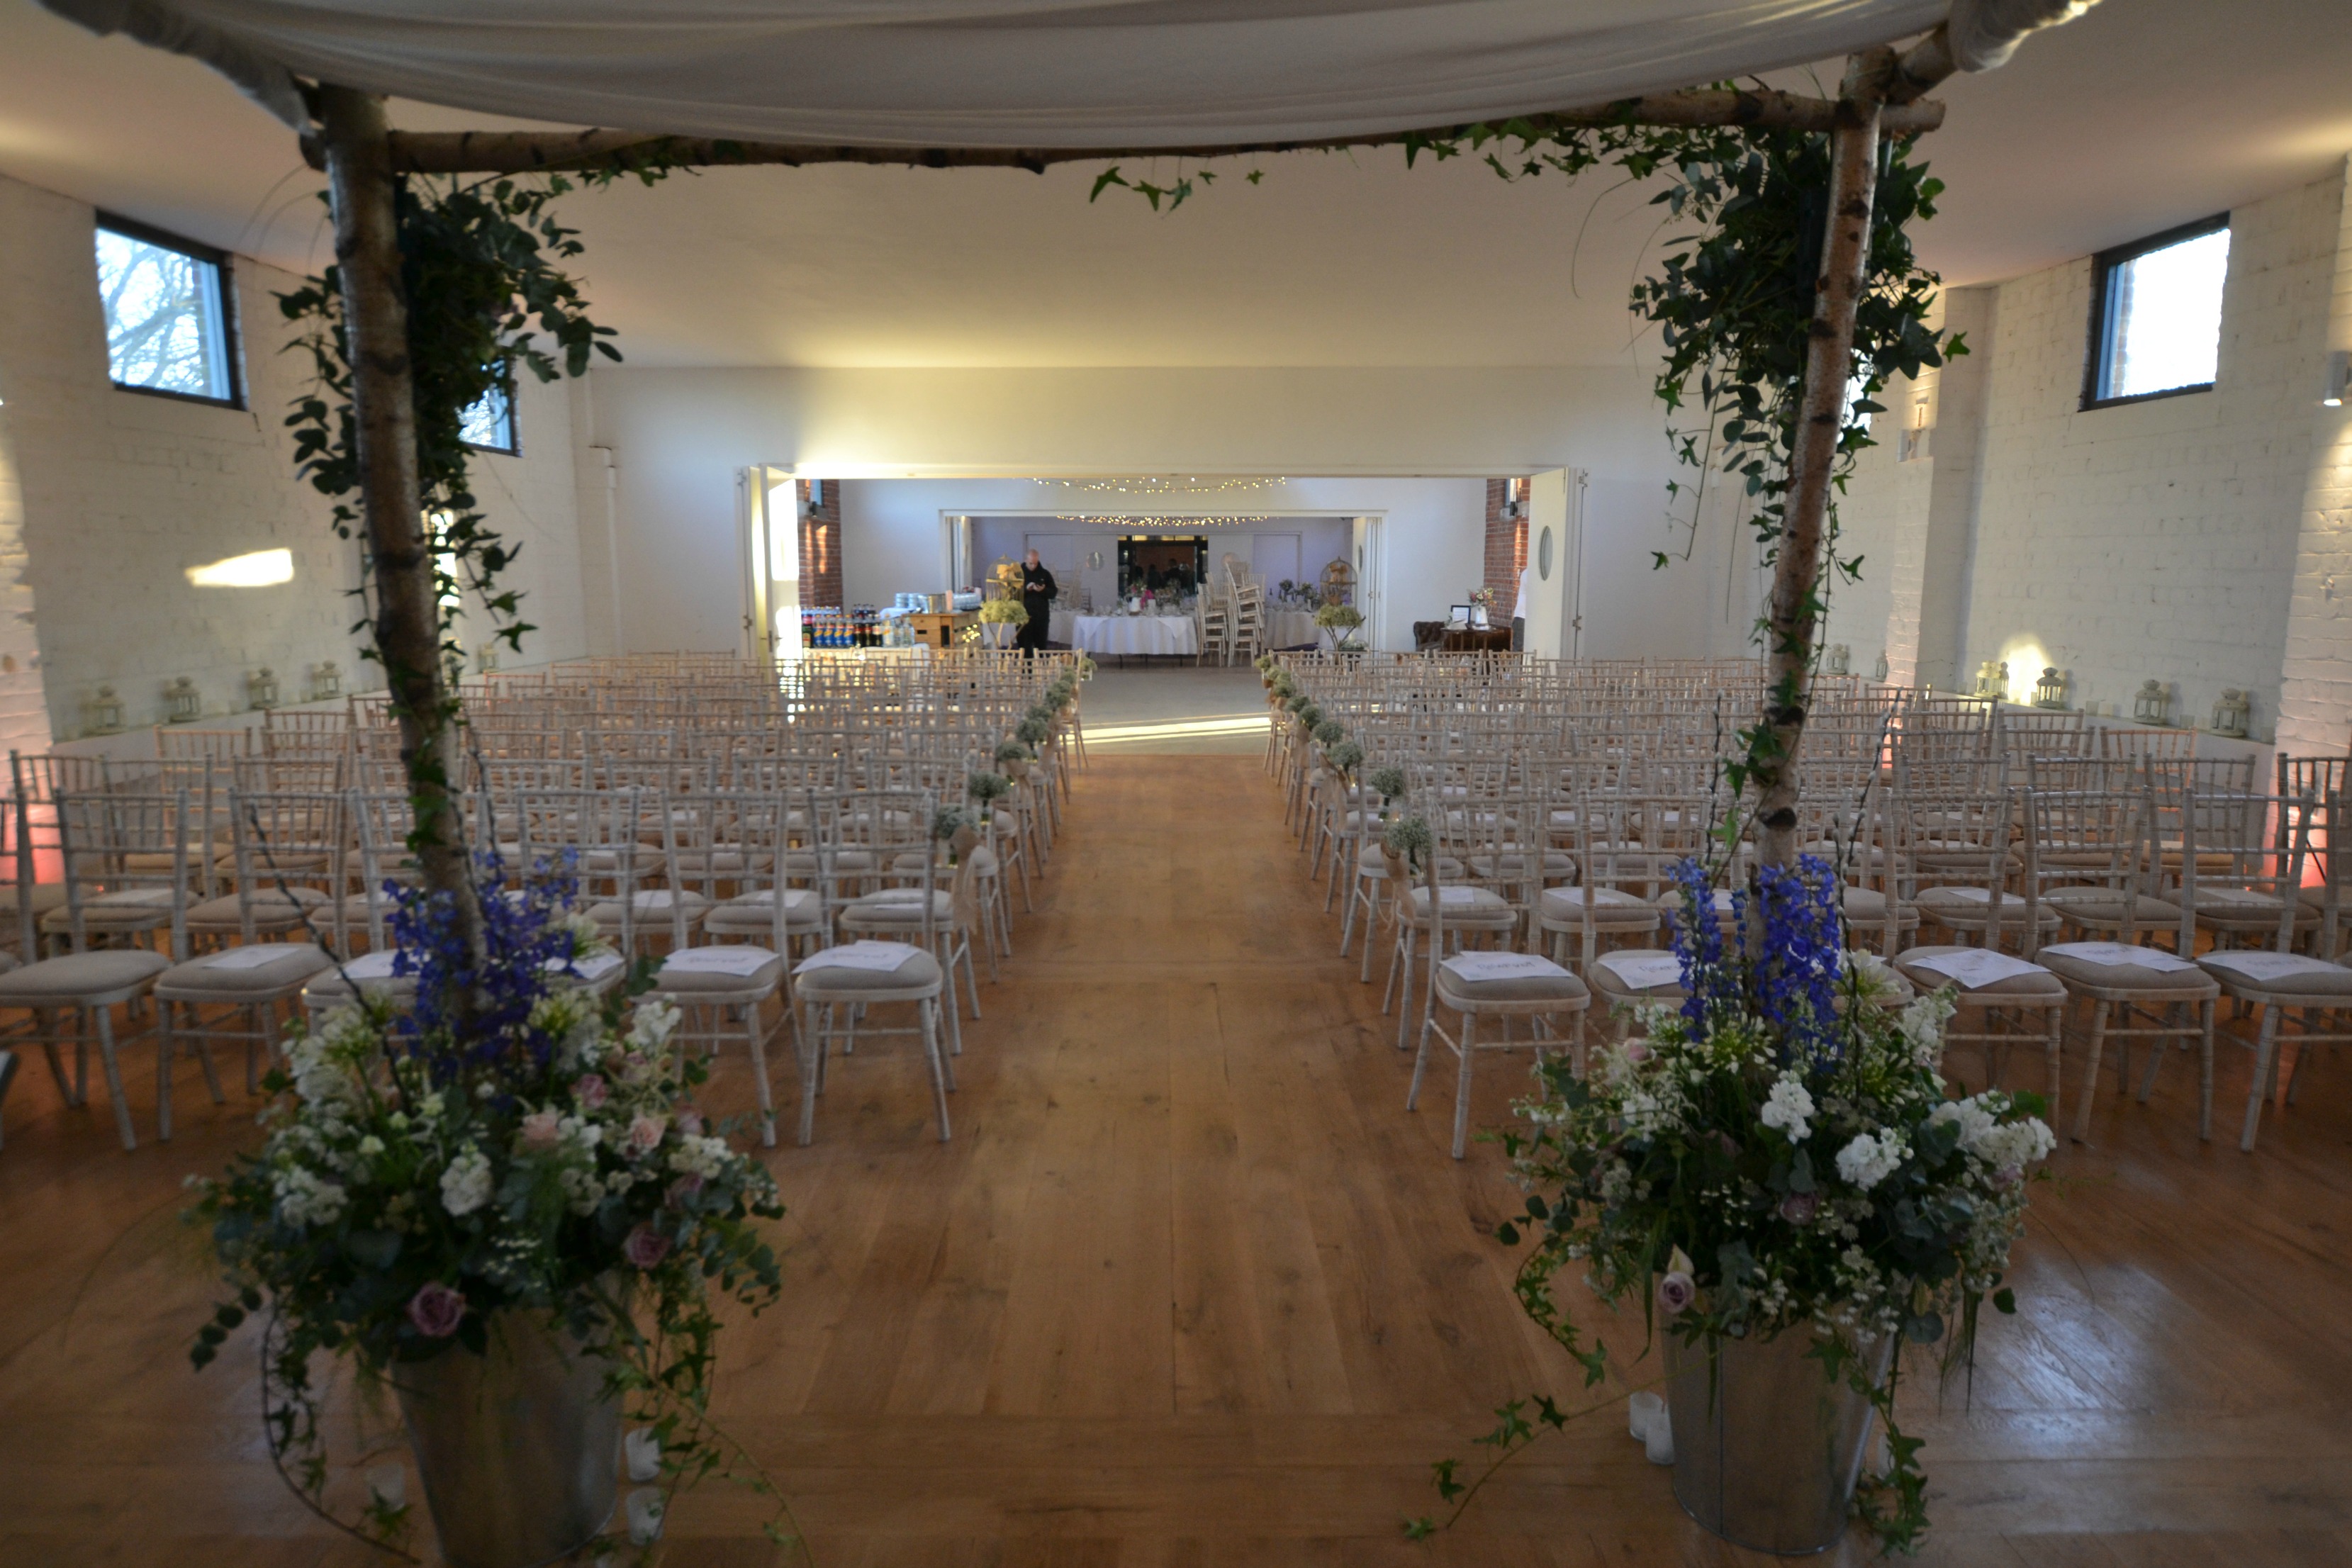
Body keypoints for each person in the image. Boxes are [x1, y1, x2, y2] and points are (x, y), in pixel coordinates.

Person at [1017, 548, 1057, 656]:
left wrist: (1043, 590)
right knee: (1024, 648)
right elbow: (1012, 594)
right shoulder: (1017, 575)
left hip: (1041, 617)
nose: (1033, 566)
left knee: (1041, 647)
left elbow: (1053, 593)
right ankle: (1025, 671)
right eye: (1031, 564)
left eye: (1035, 563)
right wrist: (1026, 589)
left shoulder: (1045, 574)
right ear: (1025, 560)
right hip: (1023, 617)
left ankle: (1041, 670)